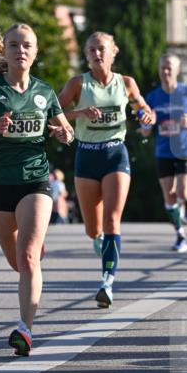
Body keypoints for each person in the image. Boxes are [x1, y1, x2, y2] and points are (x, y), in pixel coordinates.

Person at [0, 24, 74, 356]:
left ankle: (25, 329)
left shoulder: (45, 91)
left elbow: (66, 132)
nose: (20, 50)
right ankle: (31, 255)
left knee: (27, 257)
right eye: (13, 45)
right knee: (17, 261)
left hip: (35, 179)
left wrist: (64, 135)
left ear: (35, 53)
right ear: (5, 52)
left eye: (27, 45)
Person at [58, 31, 153, 307]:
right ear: (86, 56)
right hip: (86, 157)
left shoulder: (126, 83)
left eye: (101, 49)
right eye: (91, 50)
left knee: (113, 220)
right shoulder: (78, 84)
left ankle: (107, 282)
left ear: (114, 52)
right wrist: (79, 114)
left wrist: (146, 117)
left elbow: (146, 112)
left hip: (115, 154)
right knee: (92, 228)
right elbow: (52, 111)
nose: (97, 54)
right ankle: (98, 239)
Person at [144, 53, 187, 253]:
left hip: (184, 149)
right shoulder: (152, 97)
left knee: (183, 192)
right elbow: (144, 128)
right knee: (169, 196)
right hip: (163, 151)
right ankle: (180, 235)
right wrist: (146, 125)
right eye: (162, 68)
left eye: (169, 68)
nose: (165, 72)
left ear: (177, 71)